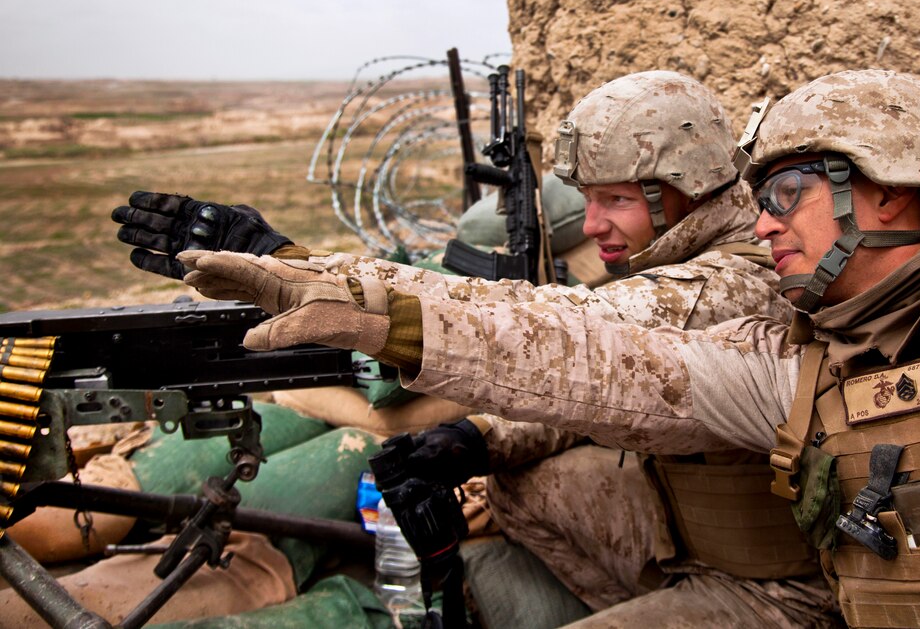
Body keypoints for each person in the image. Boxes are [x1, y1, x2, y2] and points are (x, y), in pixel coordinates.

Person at [182, 69, 920, 627]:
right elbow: (584, 351)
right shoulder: (788, 358)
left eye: (788, 191)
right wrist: (355, 299)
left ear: (888, 195)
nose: (763, 218)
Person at [3, 71, 833, 628]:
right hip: (676, 528)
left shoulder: (732, 279)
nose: (601, 223)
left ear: (683, 190)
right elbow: (606, 394)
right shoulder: (680, 257)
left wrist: (310, 274)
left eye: (617, 200)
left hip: (763, 585)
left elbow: (562, 344)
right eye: (590, 201)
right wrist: (477, 441)